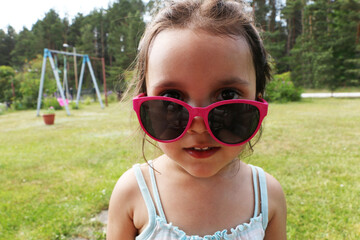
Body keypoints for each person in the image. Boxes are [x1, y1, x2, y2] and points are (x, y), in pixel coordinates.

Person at [107, 0, 287, 239]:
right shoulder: (132, 192)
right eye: (171, 98)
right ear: (145, 103)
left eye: (228, 96)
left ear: (258, 101)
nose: (199, 125)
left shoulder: (267, 195)